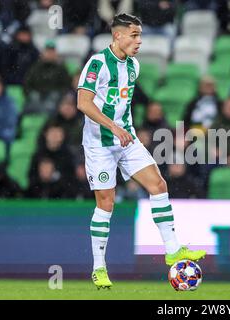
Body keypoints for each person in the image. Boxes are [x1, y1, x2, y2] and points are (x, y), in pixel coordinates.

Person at [77, 14, 205, 289]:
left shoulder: (133, 66)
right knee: (106, 203)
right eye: (133, 34)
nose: (139, 41)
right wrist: (114, 127)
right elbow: (83, 103)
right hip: (99, 143)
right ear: (117, 36)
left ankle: (173, 251)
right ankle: (99, 268)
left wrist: (127, 130)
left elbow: (122, 102)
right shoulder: (97, 63)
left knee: (158, 185)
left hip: (126, 139)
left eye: (140, 35)